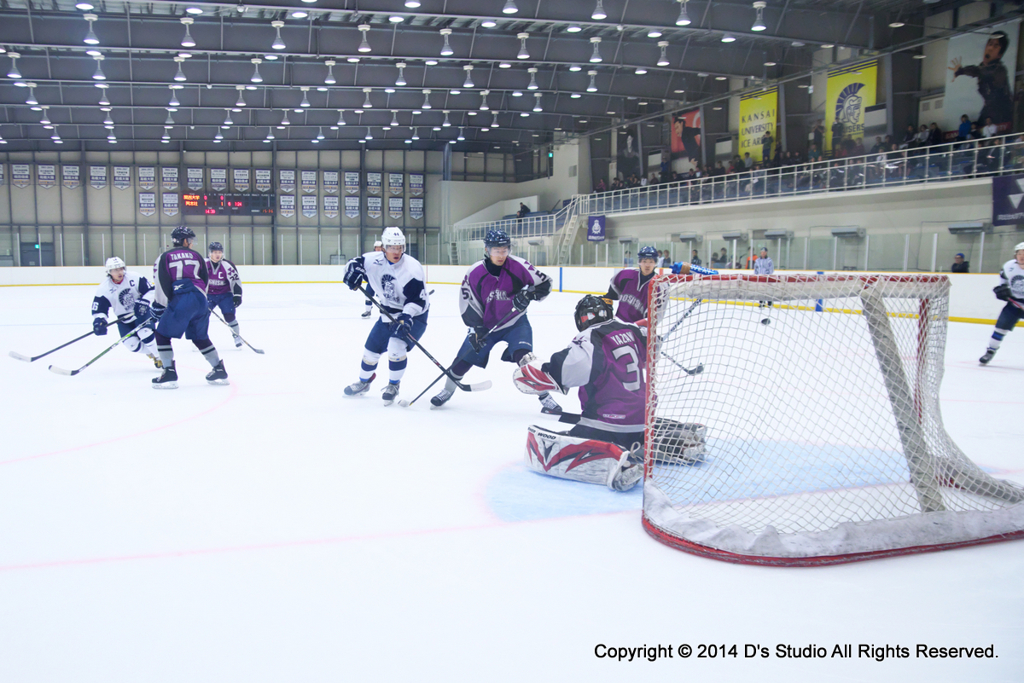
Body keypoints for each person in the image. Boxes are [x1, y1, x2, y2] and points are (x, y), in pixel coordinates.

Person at [513, 295, 648, 491]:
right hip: (641, 423)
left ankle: (623, 464)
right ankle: (654, 444)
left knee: (542, 448)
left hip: (606, 425)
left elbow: (565, 371)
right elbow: (653, 345)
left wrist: (535, 368)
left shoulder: (590, 338)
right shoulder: (632, 330)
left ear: (581, 319)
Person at [430, 229, 560, 414]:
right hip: (486, 326)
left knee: (525, 358)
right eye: (496, 250)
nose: (501, 254)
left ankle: (545, 397)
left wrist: (529, 294)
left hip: (515, 322)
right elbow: (468, 302)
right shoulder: (475, 273)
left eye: (505, 249)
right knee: (463, 360)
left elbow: (544, 283)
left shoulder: (519, 266)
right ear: (487, 250)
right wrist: (477, 329)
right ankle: (447, 391)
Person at [343, 227, 429, 405]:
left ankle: (393, 385)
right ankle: (363, 382)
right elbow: (353, 263)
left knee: (396, 345)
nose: (396, 251)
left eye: (399, 247)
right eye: (391, 247)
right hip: (388, 311)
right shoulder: (372, 260)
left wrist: (406, 317)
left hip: (415, 313)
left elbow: (417, 301)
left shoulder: (412, 268)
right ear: (383, 247)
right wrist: (352, 274)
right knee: (370, 350)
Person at [150, 226, 227, 389]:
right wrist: (201, 300)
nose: (191, 243)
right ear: (185, 241)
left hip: (182, 298)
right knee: (199, 337)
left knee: (162, 335)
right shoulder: (198, 256)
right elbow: (205, 280)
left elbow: (161, 282)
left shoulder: (164, 256)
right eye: (190, 240)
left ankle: (169, 372)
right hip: (200, 298)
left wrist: (159, 305)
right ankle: (218, 369)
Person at [90, 256, 161, 369]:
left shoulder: (134, 277)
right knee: (132, 345)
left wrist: (143, 301)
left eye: (121, 268)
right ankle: (153, 351)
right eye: (115, 270)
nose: (120, 272)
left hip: (141, 313)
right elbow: (99, 309)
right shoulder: (104, 289)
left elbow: (151, 291)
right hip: (124, 319)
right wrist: (99, 321)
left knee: (145, 333)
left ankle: (161, 358)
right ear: (109, 272)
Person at [948, 30, 1013, 132]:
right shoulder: (982, 68)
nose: (990, 48)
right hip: (988, 109)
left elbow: (984, 74)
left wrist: (963, 71)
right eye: (990, 44)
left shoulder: (1000, 70)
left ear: (1000, 54)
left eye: (995, 46)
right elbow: (976, 70)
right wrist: (961, 71)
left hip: (1002, 112)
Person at [979, 243, 1024, 365]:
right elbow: (1003, 280)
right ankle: (990, 351)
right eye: (1019, 253)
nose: (1022, 256)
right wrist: (1002, 290)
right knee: (1000, 328)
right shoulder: (1009, 266)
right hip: (1014, 303)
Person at [605, 246, 659, 324]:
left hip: (639, 329)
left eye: (651, 262)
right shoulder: (626, 274)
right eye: (644, 261)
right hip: (618, 323)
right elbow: (611, 294)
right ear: (639, 262)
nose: (647, 265)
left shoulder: (659, 285)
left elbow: (653, 318)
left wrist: (634, 327)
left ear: (655, 263)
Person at [205, 242, 243, 347]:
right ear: (210, 253)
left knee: (229, 316)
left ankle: (236, 336)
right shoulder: (203, 264)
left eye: (220, 252)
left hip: (225, 295)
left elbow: (236, 281)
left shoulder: (227, 265)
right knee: (202, 316)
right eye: (215, 252)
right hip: (208, 295)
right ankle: (200, 338)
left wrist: (237, 295)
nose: (218, 254)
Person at [361, 240, 384, 318]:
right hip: (371, 280)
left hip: (381, 281)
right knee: (368, 295)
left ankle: (385, 311)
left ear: (382, 248)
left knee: (382, 296)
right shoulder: (370, 256)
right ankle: (368, 311)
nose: (378, 249)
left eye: (379, 247)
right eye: (376, 247)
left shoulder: (385, 256)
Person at [753, 247, 775, 324]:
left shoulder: (769, 260)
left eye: (764, 252)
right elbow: (755, 269)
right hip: (760, 278)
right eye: (761, 252)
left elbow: (771, 269)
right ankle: (761, 303)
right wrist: (756, 276)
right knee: (760, 291)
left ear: (766, 252)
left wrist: (767, 276)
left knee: (768, 291)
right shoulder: (757, 261)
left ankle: (769, 303)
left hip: (767, 278)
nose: (763, 253)